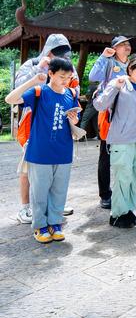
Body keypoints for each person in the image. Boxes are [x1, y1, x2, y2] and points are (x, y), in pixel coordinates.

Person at [6, 58, 80, 243]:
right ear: (51, 74)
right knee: (39, 191)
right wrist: (32, 82)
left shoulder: (71, 93)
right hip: (39, 152)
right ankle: (40, 226)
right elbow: (10, 99)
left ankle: (55, 224)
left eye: (68, 77)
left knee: (59, 190)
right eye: (61, 76)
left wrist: (74, 119)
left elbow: (74, 120)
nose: (65, 80)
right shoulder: (39, 92)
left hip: (63, 151)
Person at [14, 33, 78, 224]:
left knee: (56, 170)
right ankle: (26, 208)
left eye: (64, 52)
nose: (60, 55)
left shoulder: (67, 65)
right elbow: (18, 90)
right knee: (28, 166)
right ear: (47, 49)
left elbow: (73, 88)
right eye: (56, 51)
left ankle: (54, 205)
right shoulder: (32, 64)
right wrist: (39, 71)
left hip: (58, 122)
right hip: (32, 122)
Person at [93, 53, 136, 228]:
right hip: (121, 138)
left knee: (134, 175)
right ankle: (117, 214)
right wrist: (114, 88)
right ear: (130, 69)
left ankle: (129, 210)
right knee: (122, 175)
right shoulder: (118, 83)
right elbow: (100, 105)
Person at [89, 35, 134, 210]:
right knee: (106, 156)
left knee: (126, 154)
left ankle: (124, 190)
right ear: (114, 48)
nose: (127, 47)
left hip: (128, 115)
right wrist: (103, 56)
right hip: (109, 114)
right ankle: (105, 194)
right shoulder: (108, 63)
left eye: (128, 44)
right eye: (122, 44)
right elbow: (93, 77)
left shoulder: (132, 64)